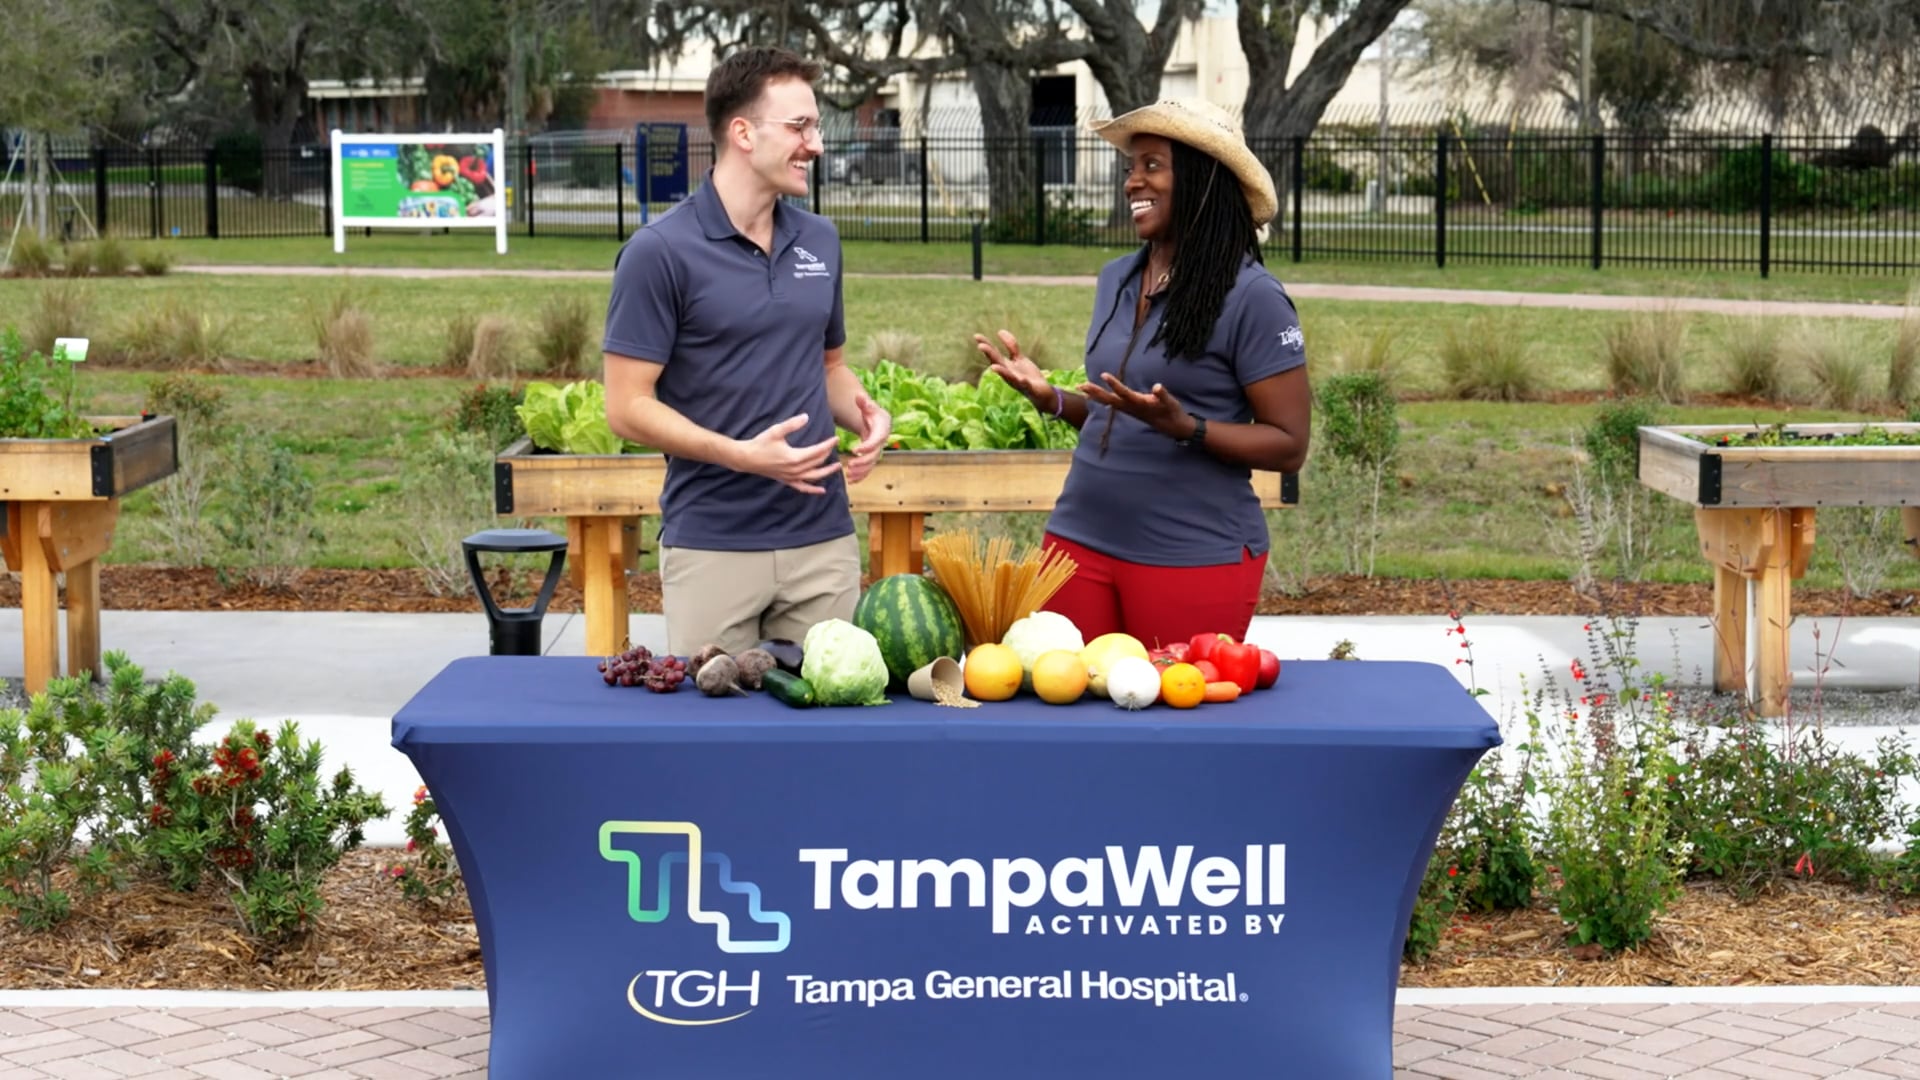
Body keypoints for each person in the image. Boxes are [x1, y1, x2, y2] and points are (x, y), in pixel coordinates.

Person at [973, 98, 1310, 648]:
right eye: (1130, 168)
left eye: (1152, 165)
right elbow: (1123, 412)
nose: (1133, 182)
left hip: (1189, 553)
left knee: (1172, 723)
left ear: (1202, 179)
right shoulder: (1117, 278)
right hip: (1078, 539)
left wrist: (1190, 428)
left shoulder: (1253, 298)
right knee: (1063, 703)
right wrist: (1051, 398)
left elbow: (1289, 445)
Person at [602, 46, 891, 656]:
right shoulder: (660, 251)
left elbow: (828, 365)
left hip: (822, 541)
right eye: (799, 127)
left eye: (814, 126)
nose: (815, 144)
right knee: (716, 742)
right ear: (742, 133)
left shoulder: (820, 240)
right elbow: (627, 407)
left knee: (825, 732)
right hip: (713, 545)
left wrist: (866, 411)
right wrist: (738, 455)